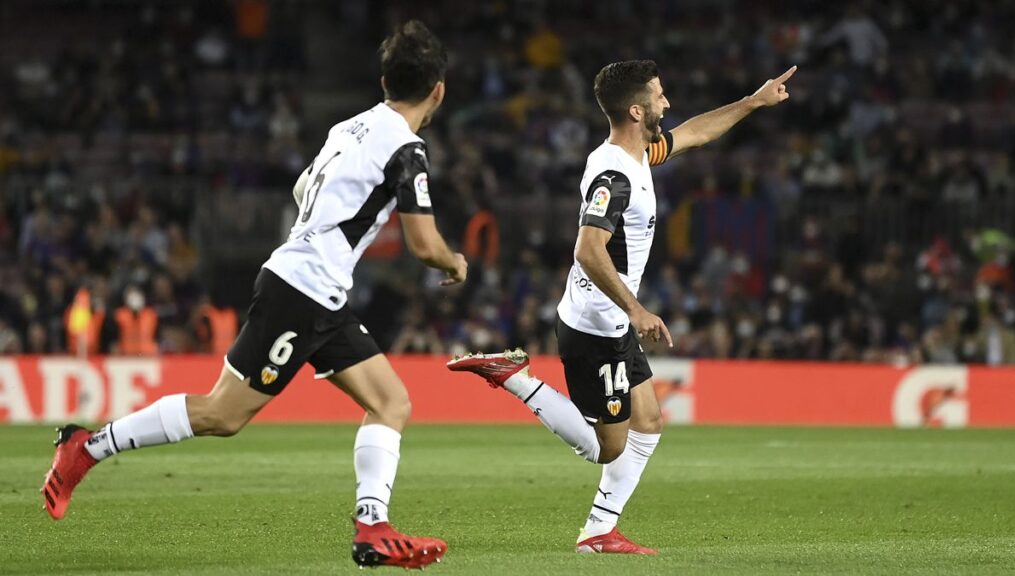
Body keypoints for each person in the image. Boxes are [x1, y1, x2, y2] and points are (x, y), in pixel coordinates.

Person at [42, 20, 466, 571]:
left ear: (385, 79)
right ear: (438, 90)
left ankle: (372, 528)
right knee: (222, 413)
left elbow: (301, 187)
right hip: (302, 292)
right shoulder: (408, 150)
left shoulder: (349, 128)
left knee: (391, 402)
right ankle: (87, 447)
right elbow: (423, 242)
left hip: (320, 292)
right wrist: (454, 261)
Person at [449, 60, 796, 554]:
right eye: (659, 96)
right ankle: (515, 377)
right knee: (606, 446)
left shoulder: (635, 155)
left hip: (606, 319)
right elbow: (588, 249)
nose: (667, 103)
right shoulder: (616, 175)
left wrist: (754, 101)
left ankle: (598, 532)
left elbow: (695, 133)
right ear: (637, 110)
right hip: (598, 326)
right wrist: (635, 309)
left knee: (649, 421)